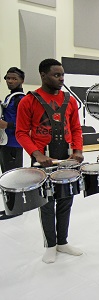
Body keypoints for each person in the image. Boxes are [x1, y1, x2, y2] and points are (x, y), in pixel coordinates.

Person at [16, 58, 84, 263]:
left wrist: (78, 150)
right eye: (56, 75)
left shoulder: (70, 101)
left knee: (66, 202)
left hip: (66, 160)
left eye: (62, 75)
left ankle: (62, 242)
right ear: (43, 75)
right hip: (42, 161)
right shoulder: (28, 101)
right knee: (46, 203)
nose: (61, 79)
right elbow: (21, 133)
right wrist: (37, 154)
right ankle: (50, 245)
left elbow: (76, 129)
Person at [0, 67, 26, 220]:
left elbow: (26, 123)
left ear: (21, 80)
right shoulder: (10, 97)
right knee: (7, 176)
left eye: (14, 78)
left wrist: (7, 125)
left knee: (13, 177)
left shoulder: (20, 99)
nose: (10, 81)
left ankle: (16, 208)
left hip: (14, 144)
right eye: (8, 78)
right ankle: (10, 206)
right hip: (6, 142)